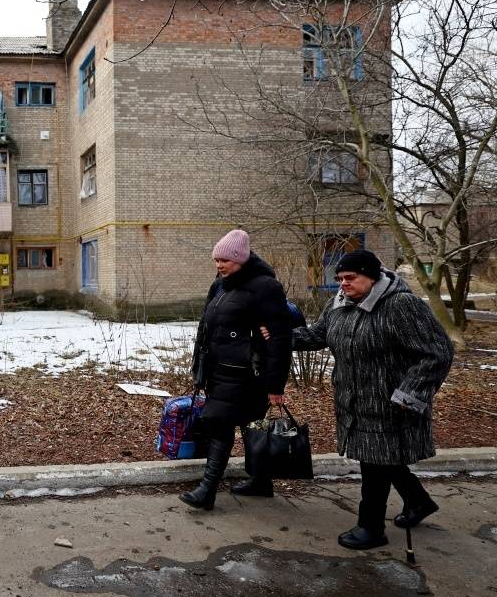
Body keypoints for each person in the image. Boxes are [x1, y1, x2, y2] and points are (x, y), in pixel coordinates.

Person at [287, 249, 454, 550]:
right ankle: (419, 502)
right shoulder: (338, 305)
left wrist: (410, 395)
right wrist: (277, 337)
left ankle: (371, 527)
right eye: (339, 278)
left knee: (374, 465)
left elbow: (437, 352)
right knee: (377, 457)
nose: (343, 284)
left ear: (372, 276)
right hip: (353, 401)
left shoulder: (400, 305)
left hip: (390, 404)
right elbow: (316, 336)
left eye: (351, 278)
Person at [182, 229, 293, 510]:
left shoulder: (266, 287)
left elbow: (280, 338)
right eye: (216, 260)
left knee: (221, 425)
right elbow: (205, 330)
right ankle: (261, 481)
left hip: (246, 375)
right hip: (219, 372)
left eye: (225, 260)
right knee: (247, 425)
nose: (219, 265)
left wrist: (275, 385)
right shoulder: (220, 286)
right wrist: (199, 368)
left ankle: (207, 491)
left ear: (241, 259)